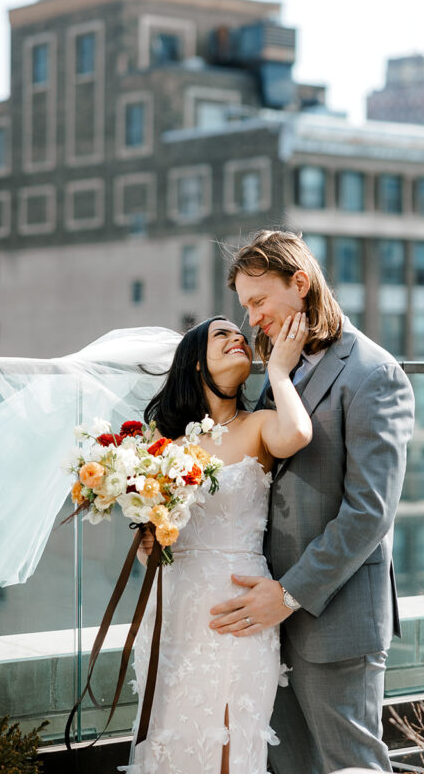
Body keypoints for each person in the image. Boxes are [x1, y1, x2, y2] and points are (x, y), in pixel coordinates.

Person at [210, 230, 415, 774]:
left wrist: (290, 594)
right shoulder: (279, 363)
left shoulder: (374, 375)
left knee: (351, 765)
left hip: (333, 618)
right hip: (265, 620)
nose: (251, 318)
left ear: (299, 284)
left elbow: (369, 513)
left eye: (258, 301)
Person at [131, 312, 311, 774]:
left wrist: (278, 371)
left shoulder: (260, 425)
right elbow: (148, 531)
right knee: (169, 739)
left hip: (239, 607)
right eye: (222, 334)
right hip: (172, 610)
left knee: (232, 745)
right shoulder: (161, 442)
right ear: (195, 363)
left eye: (241, 334)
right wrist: (147, 539)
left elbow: (297, 433)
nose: (238, 338)